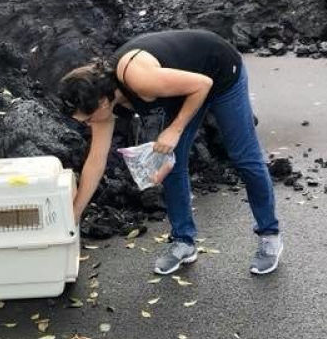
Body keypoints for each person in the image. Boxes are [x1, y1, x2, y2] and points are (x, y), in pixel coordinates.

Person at [58, 29, 284, 276]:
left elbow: (203, 84)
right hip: (183, 90)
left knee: (244, 157)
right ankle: (183, 242)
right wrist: (74, 216)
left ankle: (269, 236)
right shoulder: (102, 105)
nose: (88, 124)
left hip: (218, 72)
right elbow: (95, 162)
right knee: (170, 162)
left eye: (88, 118)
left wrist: (175, 130)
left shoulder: (139, 80)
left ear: (102, 103)